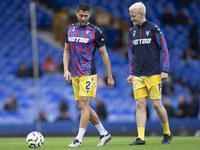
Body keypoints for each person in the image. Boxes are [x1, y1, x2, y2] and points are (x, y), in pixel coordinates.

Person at [63, 3, 115, 147]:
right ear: (76, 14)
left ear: (90, 15)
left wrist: (109, 76)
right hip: (74, 74)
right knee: (82, 105)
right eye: (81, 15)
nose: (84, 18)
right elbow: (66, 51)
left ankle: (78, 139)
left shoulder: (95, 31)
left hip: (88, 73)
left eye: (86, 16)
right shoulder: (69, 30)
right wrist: (66, 70)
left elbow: (104, 54)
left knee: (85, 104)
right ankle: (104, 133)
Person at [127, 2, 172, 145]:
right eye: (130, 16)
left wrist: (164, 70)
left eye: (133, 16)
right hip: (138, 75)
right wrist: (131, 72)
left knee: (157, 105)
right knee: (140, 105)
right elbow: (131, 54)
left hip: (153, 74)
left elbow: (164, 49)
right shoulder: (131, 32)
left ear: (141, 14)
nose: (131, 18)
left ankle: (167, 133)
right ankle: (141, 138)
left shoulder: (154, 29)